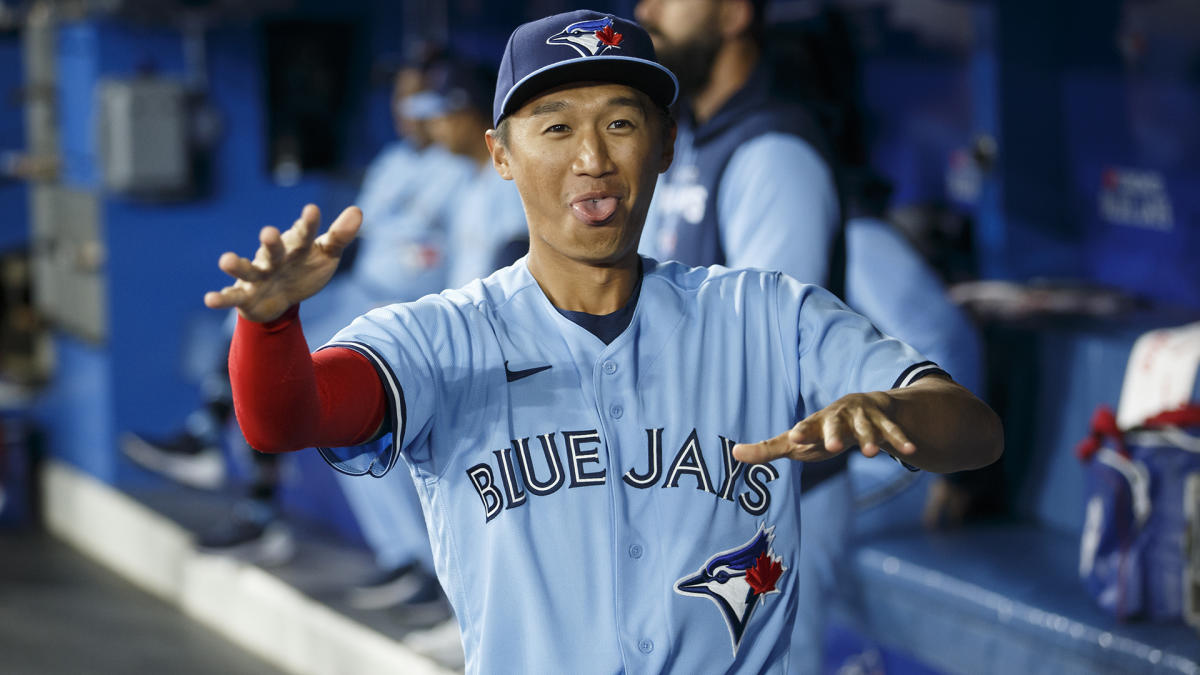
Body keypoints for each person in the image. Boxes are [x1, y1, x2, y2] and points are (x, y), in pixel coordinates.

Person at [205, 11, 1002, 673]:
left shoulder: (766, 311)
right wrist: (270, 325)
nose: (593, 160)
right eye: (556, 128)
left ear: (663, 145)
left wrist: (895, 412)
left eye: (621, 124)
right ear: (501, 156)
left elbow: (974, 432)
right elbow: (288, 417)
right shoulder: (440, 335)